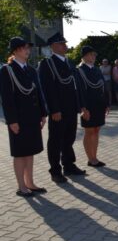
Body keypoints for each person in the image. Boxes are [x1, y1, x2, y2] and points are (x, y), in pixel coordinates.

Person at [0, 37, 48, 196]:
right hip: (19, 119)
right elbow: (6, 98)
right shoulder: (7, 70)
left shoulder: (31, 70)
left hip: (32, 117)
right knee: (20, 152)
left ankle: (30, 183)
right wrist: (11, 120)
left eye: (28, 47)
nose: (27, 50)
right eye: (23, 48)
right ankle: (21, 186)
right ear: (15, 51)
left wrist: (43, 113)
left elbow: (38, 92)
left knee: (30, 151)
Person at [38, 33, 87, 183]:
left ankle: (69, 165)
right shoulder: (47, 64)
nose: (65, 46)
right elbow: (46, 88)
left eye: (65, 43)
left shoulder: (68, 62)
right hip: (58, 109)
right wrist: (53, 109)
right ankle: (55, 170)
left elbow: (75, 86)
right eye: (61, 43)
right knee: (55, 140)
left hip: (71, 108)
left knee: (69, 137)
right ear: (53, 46)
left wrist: (79, 105)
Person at [77, 46, 109, 168]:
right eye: (91, 55)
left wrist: (106, 104)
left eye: (94, 55)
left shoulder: (96, 70)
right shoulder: (79, 70)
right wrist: (83, 108)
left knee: (96, 130)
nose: (93, 57)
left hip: (99, 105)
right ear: (84, 56)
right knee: (89, 131)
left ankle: (94, 157)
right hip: (88, 106)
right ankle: (90, 158)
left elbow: (103, 87)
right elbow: (79, 91)